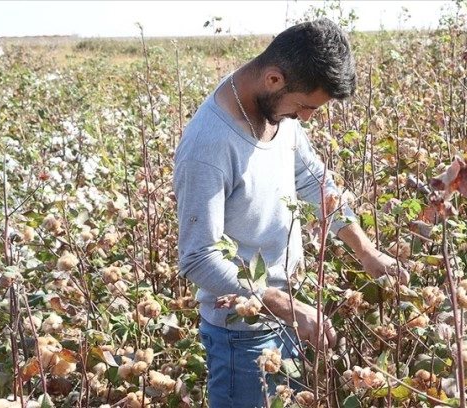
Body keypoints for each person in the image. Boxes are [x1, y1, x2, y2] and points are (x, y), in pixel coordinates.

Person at [173, 18, 408, 407]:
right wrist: (285, 306)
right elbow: (198, 258)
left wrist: (365, 250)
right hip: (243, 337)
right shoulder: (208, 147)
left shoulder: (275, 114)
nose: (307, 118)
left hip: (289, 316)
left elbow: (312, 180)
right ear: (273, 79)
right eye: (304, 106)